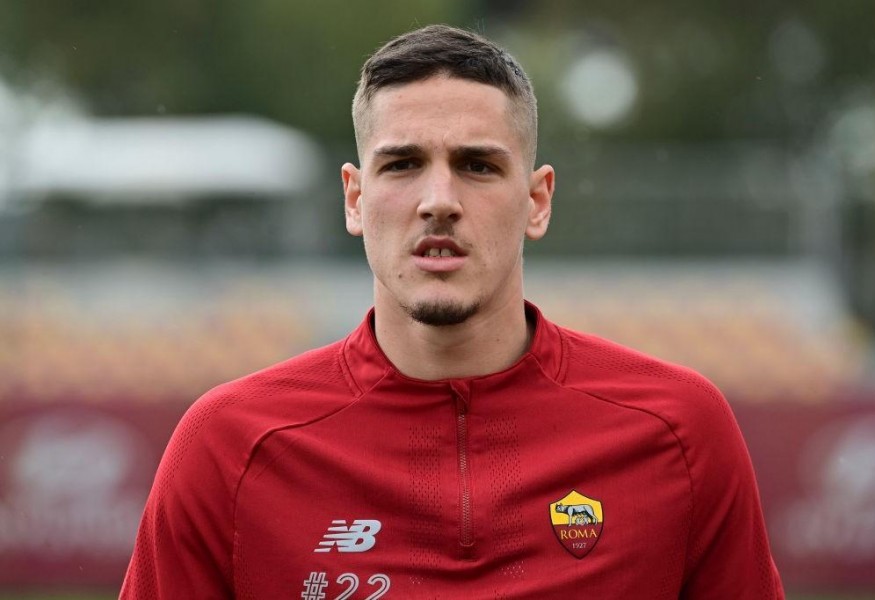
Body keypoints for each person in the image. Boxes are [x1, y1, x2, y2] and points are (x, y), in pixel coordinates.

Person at [120, 24, 784, 599]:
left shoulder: (680, 432)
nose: (439, 199)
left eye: (477, 166)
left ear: (537, 200)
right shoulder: (228, 449)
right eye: (403, 164)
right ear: (354, 199)